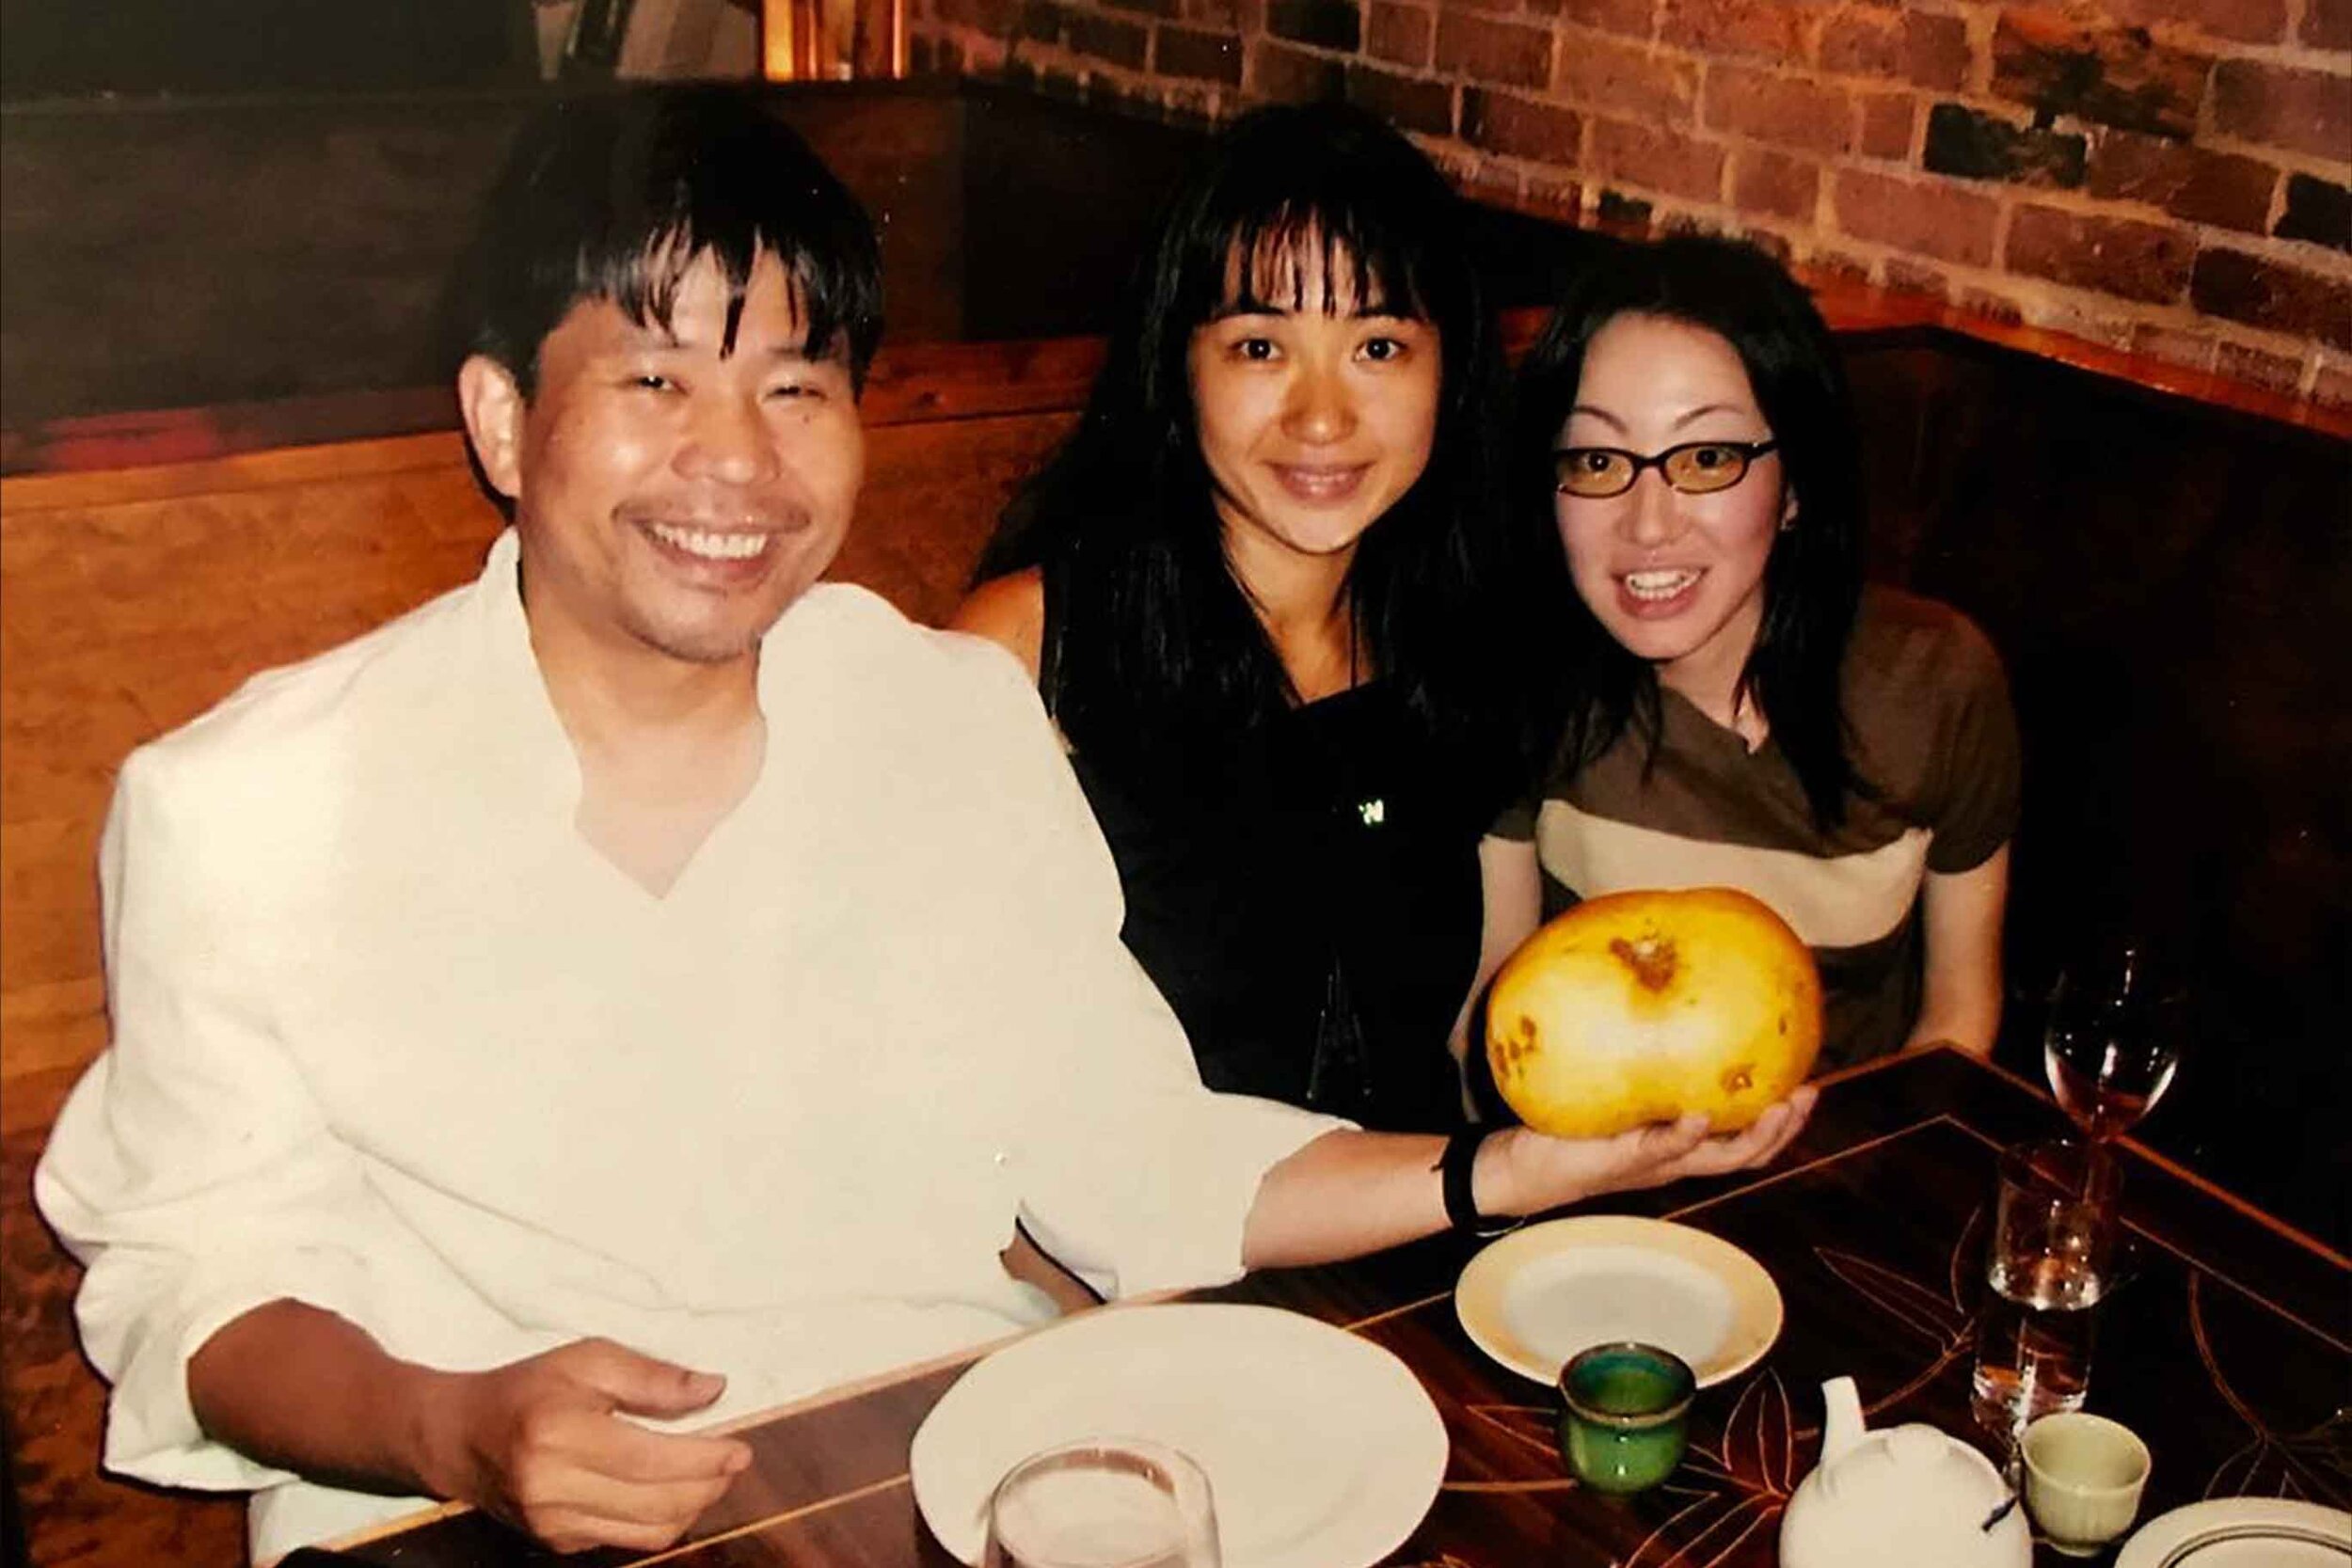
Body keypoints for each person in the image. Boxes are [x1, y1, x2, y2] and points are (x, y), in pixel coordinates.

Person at [35, 91, 1812, 1564]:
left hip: (948, 1466)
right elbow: (197, 1283)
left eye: (797, 385)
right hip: (466, 1519)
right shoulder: (245, 808)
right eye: (656, 381)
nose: (737, 461)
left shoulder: (940, 719)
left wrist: (1517, 1170)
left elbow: (1135, 1158)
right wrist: (461, 1424)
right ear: (506, 418)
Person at [953, 103, 1553, 1134]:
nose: (1321, 416)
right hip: (1138, 1278)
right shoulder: (1023, 652)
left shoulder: (1464, 638)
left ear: (1448, 373)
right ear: (1178, 367)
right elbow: (949, 1082)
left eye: (1377, 344)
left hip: (1407, 1237)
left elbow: (1479, 1040)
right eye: (1260, 345)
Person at [1484, 235, 2019, 1069]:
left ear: (1797, 483)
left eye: (1706, 458)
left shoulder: (1935, 684)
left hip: (1847, 1177)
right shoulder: (1516, 685)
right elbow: (1493, 1037)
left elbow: (1956, 1020)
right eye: (1596, 459)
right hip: (1582, 1179)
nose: (1648, 523)